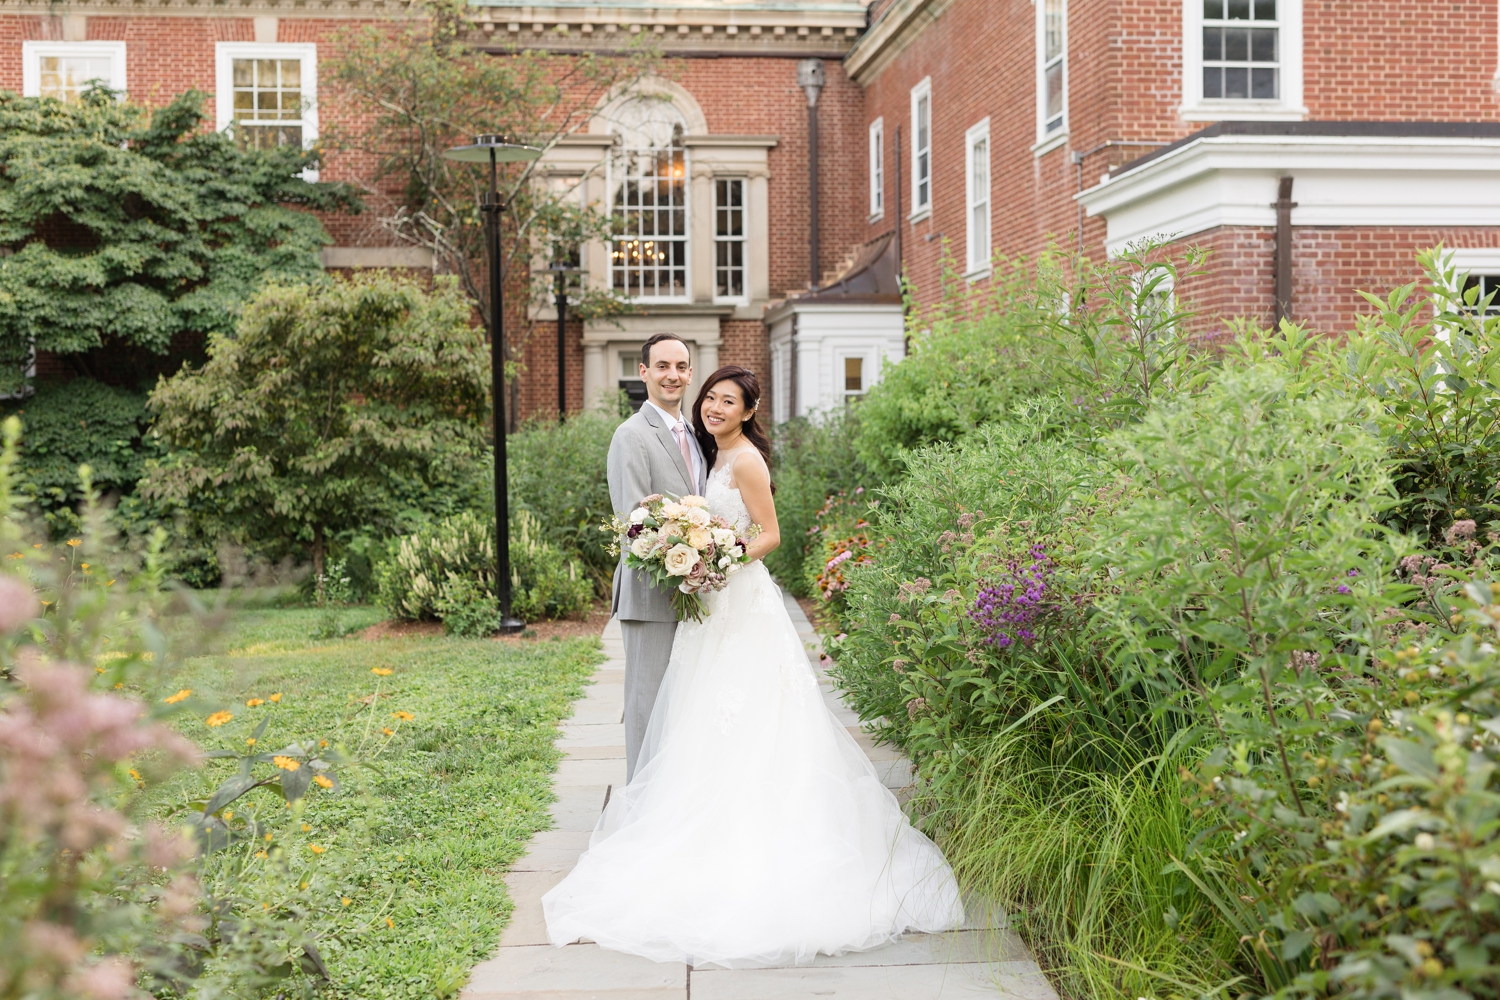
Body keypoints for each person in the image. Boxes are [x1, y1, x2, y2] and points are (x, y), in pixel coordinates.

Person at [544, 365, 964, 969]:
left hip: (740, 601)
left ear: (748, 410)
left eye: (728, 401)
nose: (714, 406)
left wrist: (719, 557)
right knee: (700, 716)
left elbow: (770, 534)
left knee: (754, 717)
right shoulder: (713, 455)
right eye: (710, 397)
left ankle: (761, 838)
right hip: (710, 605)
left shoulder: (745, 462)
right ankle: (698, 832)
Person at [605, 333, 708, 783]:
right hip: (650, 594)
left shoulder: (696, 435)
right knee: (646, 702)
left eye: (681, 366)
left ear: (690, 372)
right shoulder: (631, 436)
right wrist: (678, 557)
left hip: (696, 592)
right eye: (662, 366)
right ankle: (638, 805)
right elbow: (631, 522)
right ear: (643, 372)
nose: (673, 375)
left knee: (683, 701)